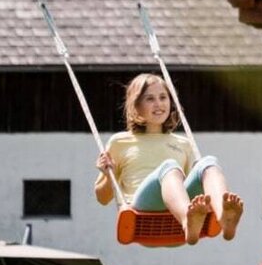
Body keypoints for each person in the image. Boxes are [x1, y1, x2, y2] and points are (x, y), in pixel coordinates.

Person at [94, 73, 243, 244]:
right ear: (136, 105)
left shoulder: (183, 144)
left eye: (163, 97)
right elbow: (102, 198)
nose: (158, 104)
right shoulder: (120, 142)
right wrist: (108, 175)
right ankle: (187, 220)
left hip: (176, 218)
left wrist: (203, 202)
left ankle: (223, 216)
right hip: (142, 214)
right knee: (170, 167)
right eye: (150, 99)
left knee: (209, 162)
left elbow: (187, 187)